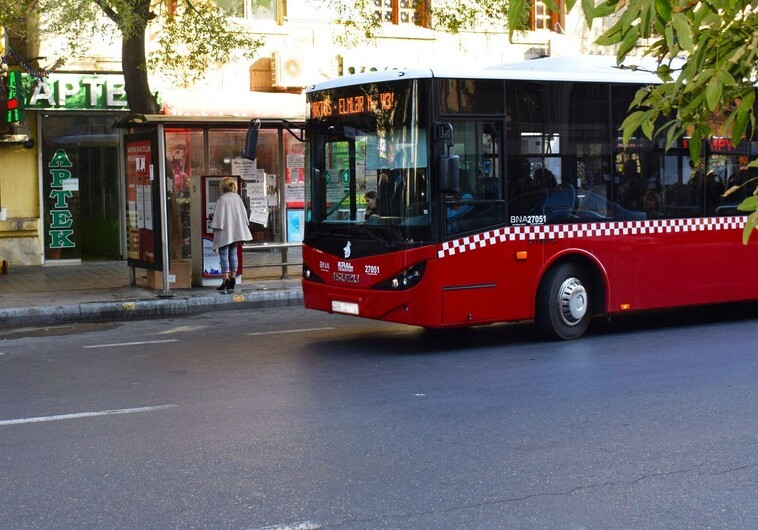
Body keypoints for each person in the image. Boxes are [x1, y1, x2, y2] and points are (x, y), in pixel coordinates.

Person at [211, 177, 253, 293]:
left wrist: (212, 221)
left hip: (225, 231)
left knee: (224, 256)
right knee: (233, 254)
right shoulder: (238, 198)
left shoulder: (221, 199)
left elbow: (218, 219)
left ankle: (225, 281)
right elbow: (244, 215)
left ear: (222, 187)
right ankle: (233, 279)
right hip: (236, 231)